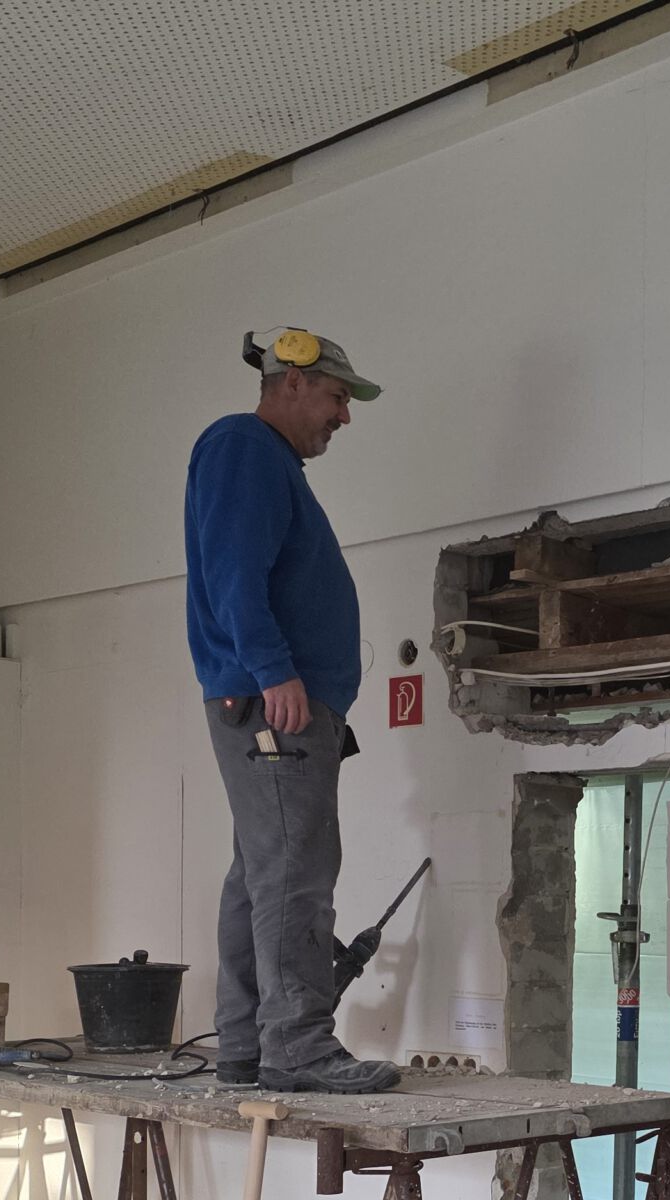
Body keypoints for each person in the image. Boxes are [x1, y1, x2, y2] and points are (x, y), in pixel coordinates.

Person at [186, 326, 399, 1094]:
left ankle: (247, 1044)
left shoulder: (263, 459)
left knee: (261, 872)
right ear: (293, 382)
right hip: (274, 700)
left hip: (269, 698)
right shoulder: (244, 446)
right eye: (337, 396)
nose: (344, 415)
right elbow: (233, 572)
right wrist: (276, 670)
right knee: (294, 871)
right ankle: (298, 1047)